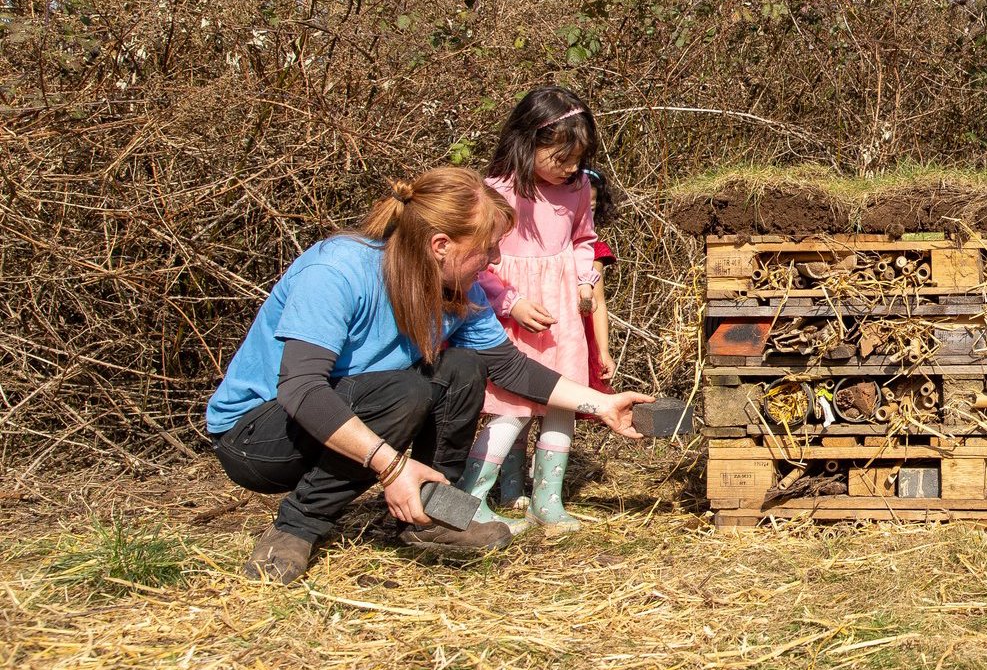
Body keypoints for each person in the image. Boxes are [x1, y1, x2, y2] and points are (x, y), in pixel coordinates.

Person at [205, 167, 653, 584]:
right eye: (487, 247)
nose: (495, 260)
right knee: (406, 390)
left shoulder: (460, 290)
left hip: (358, 413)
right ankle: (297, 527)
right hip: (258, 437)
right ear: (441, 245)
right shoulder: (337, 271)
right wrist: (392, 465)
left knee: (463, 367)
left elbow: (509, 366)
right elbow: (301, 389)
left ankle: (433, 514)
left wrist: (603, 404)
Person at [456, 85, 624, 536]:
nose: (572, 167)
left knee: (561, 406)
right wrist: (510, 302)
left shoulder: (580, 187)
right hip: (515, 310)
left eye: (578, 157)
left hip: (564, 313)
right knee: (511, 409)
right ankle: (471, 498)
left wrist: (586, 278)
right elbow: (478, 262)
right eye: (562, 157)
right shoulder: (494, 191)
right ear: (528, 142)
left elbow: (583, 242)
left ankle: (548, 503)